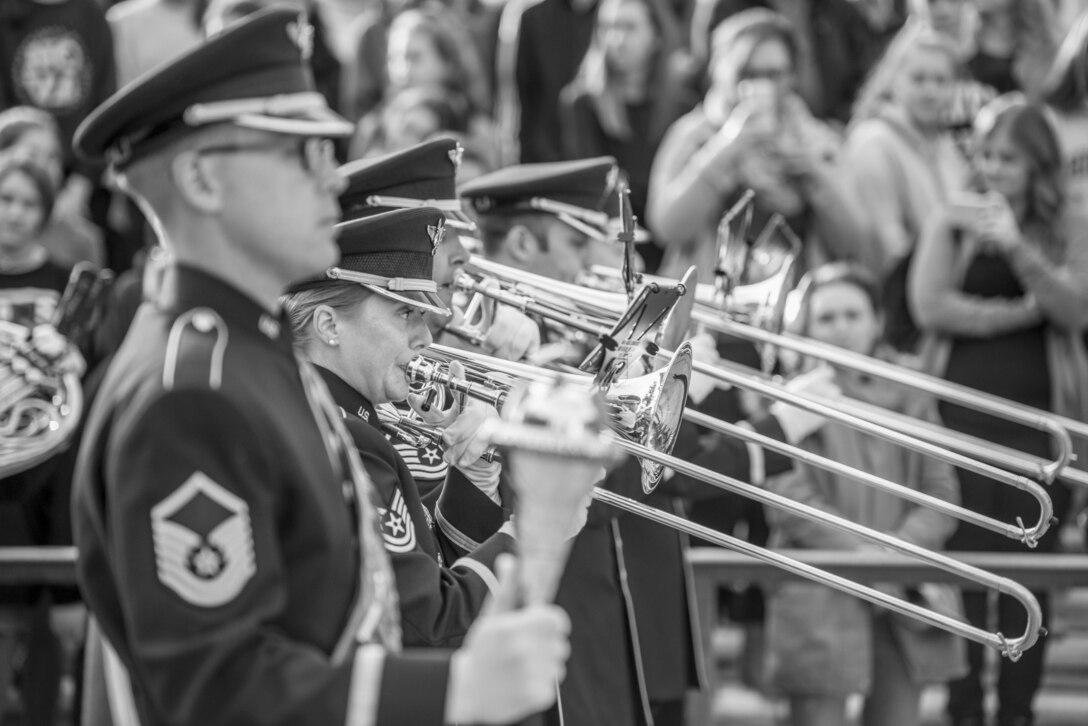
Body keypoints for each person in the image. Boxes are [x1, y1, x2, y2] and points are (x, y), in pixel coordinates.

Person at [69, 10, 574, 725]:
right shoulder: (193, 393)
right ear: (202, 180)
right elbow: (217, 691)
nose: (326, 181)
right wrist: (454, 691)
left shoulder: (251, 359)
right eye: (296, 154)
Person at [908, 94, 1088, 726]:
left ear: (1038, 163)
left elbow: (1075, 308)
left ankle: (1017, 713)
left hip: (1042, 426)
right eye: (984, 153)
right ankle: (962, 710)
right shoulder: (953, 217)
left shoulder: (1072, 221)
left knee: (1025, 576)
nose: (992, 167)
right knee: (960, 571)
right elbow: (931, 306)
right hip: (958, 418)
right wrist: (1014, 314)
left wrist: (1018, 248)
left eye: (1007, 157)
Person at [282, 207, 529, 648]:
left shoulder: (343, 418)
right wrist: (533, 530)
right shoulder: (347, 438)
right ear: (328, 324)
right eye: (404, 314)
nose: (426, 338)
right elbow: (428, 624)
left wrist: (472, 476)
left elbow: (424, 566)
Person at [765, 261, 966, 726]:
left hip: (905, 587)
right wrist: (864, 557)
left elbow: (941, 493)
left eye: (853, 315)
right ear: (806, 328)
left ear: (877, 320)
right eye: (827, 318)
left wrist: (890, 554)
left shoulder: (913, 392)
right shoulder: (781, 398)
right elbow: (787, 499)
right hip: (822, 584)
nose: (841, 329)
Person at [647, 8, 867, 285]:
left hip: (794, 303)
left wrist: (815, 172)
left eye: (775, 73)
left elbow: (853, 241)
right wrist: (727, 148)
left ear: (793, 76)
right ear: (721, 70)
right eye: (748, 72)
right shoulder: (693, 135)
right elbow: (667, 227)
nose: (763, 84)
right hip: (708, 304)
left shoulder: (816, 140)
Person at [841, 19, 968, 351]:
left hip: (938, 308)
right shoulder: (874, 142)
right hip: (895, 317)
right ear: (893, 79)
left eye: (941, 80)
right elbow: (888, 246)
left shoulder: (948, 148)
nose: (930, 90)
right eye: (919, 78)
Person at [560, 0, 695, 273]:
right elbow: (593, 189)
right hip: (614, 248)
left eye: (629, 27)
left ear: (656, 35)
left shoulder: (684, 106)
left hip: (672, 247)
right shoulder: (582, 103)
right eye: (607, 27)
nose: (616, 39)